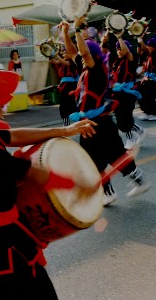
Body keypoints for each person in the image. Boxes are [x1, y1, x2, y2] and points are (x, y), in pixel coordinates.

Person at [0, 69, 99, 299]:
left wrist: (64, 130)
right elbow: (34, 174)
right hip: (3, 245)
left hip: (3, 239)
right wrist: (79, 184)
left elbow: (14, 136)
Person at [61, 17, 151, 206]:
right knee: (96, 160)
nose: (79, 55)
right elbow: (72, 52)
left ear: (91, 56)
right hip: (90, 125)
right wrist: (65, 30)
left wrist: (77, 29)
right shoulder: (85, 68)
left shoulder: (97, 70)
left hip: (99, 123)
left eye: (83, 53)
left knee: (113, 155)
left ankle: (137, 181)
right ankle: (111, 191)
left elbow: (83, 52)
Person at [109, 30, 146, 149]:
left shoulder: (131, 59)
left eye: (120, 48)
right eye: (117, 49)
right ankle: (139, 131)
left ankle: (131, 138)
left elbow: (126, 51)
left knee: (124, 118)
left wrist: (119, 37)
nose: (118, 51)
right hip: (119, 94)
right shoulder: (117, 61)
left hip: (128, 94)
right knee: (121, 118)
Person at [50, 49, 81, 126]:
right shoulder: (63, 61)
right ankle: (66, 124)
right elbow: (54, 61)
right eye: (63, 52)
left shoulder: (73, 61)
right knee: (63, 105)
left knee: (72, 104)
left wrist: (57, 56)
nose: (64, 54)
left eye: (66, 53)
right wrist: (49, 54)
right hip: (64, 86)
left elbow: (65, 63)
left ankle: (78, 123)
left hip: (71, 86)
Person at [136, 33, 156, 120]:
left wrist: (140, 38)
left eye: (149, 46)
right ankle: (147, 112)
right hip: (148, 80)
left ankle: (153, 113)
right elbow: (139, 51)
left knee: (149, 97)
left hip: (153, 80)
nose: (147, 47)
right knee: (141, 94)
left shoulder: (155, 54)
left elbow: (143, 48)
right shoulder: (149, 55)